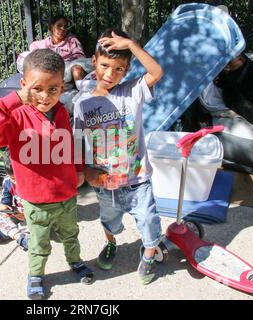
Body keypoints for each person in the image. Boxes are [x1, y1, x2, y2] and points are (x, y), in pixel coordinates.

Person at [0, 48, 94, 300]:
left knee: (71, 234)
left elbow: (70, 143)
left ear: (62, 88)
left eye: (53, 88)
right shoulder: (14, 116)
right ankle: (36, 275)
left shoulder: (62, 112)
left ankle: (74, 261)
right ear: (23, 85)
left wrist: (79, 169)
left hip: (66, 195)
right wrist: (15, 100)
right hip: (37, 200)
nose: (44, 96)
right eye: (36, 88)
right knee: (39, 245)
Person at [73, 29, 164, 285]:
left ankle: (148, 256)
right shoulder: (83, 104)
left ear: (126, 70)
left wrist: (132, 45)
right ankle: (111, 243)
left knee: (148, 221)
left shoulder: (132, 90)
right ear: (94, 61)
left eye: (119, 69)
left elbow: (157, 72)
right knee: (109, 220)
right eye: (105, 65)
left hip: (137, 180)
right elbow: (80, 141)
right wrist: (87, 171)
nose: (110, 74)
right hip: (105, 183)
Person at [17, 15, 92, 88]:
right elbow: (33, 47)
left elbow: (80, 57)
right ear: (51, 27)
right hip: (53, 72)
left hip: (69, 69)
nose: (63, 29)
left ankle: (83, 94)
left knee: (77, 69)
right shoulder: (45, 43)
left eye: (65, 26)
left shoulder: (71, 41)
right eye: (59, 26)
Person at [0, 153, 29, 251]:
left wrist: (27, 215)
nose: (16, 182)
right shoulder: (7, 182)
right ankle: (19, 236)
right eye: (13, 179)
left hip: (34, 218)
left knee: (0, 235)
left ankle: (17, 234)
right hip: (17, 215)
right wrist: (6, 210)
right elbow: (4, 204)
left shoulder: (32, 181)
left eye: (19, 178)